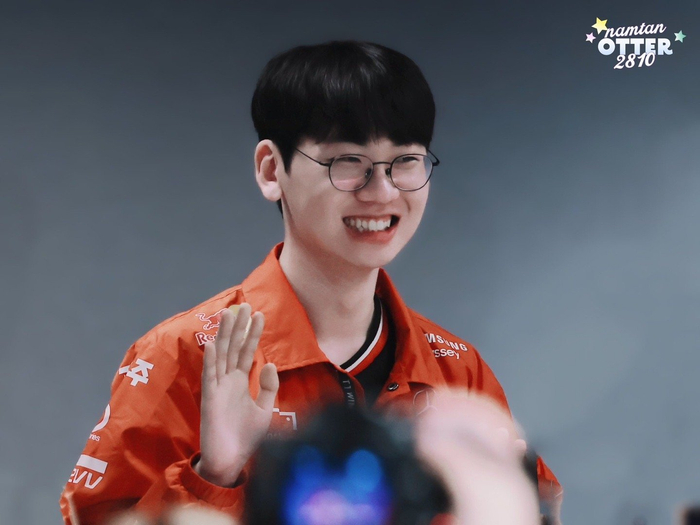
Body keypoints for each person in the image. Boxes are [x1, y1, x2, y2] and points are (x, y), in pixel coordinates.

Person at [60, 40, 563, 524]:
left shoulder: (457, 372)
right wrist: (217, 472)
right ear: (271, 170)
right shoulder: (184, 354)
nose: (382, 191)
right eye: (349, 162)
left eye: (406, 161)